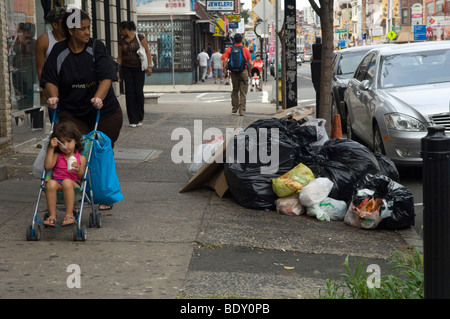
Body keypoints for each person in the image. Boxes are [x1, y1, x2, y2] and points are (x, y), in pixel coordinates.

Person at [40, 9, 122, 211]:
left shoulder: (96, 47)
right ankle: (72, 190)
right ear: (71, 30)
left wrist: (98, 97)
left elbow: (107, 76)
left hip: (103, 110)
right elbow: (49, 79)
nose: (87, 32)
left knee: (101, 151)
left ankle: (102, 193)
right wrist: (53, 95)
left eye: (88, 28)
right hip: (73, 111)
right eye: (82, 29)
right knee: (72, 149)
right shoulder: (59, 51)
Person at [43, 121, 87, 226]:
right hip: (58, 182)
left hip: (74, 183)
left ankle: (69, 214)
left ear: (75, 141)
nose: (65, 145)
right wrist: (51, 148)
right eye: (62, 142)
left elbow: (82, 177)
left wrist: (78, 170)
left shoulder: (81, 158)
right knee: (50, 183)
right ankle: (52, 216)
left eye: (69, 141)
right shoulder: (57, 155)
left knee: (67, 182)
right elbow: (48, 166)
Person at [118, 21, 153, 128]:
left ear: (126, 29)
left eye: (121, 30)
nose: (120, 32)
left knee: (138, 92)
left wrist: (150, 66)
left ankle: (140, 117)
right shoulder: (121, 41)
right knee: (129, 93)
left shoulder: (139, 37)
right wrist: (118, 71)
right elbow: (119, 57)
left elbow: (147, 51)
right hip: (126, 69)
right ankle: (132, 120)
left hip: (138, 69)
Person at [35, 6, 67, 123]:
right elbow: (40, 68)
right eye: (64, 21)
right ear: (55, 25)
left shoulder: (73, 37)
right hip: (54, 88)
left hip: (73, 88)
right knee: (57, 124)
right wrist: (46, 91)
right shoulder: (44, 40)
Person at [221, 33, 252, 116]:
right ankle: (242, 111)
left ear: (233, 40)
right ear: (241, 40)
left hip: (234, 72)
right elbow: (250, 62)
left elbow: (225, 60)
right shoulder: (245, 49)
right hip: (243, 71)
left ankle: (234, 108)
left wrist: (225, 71)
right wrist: (249, 71)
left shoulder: (230, 49)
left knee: (235, 91)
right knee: (243, 92)